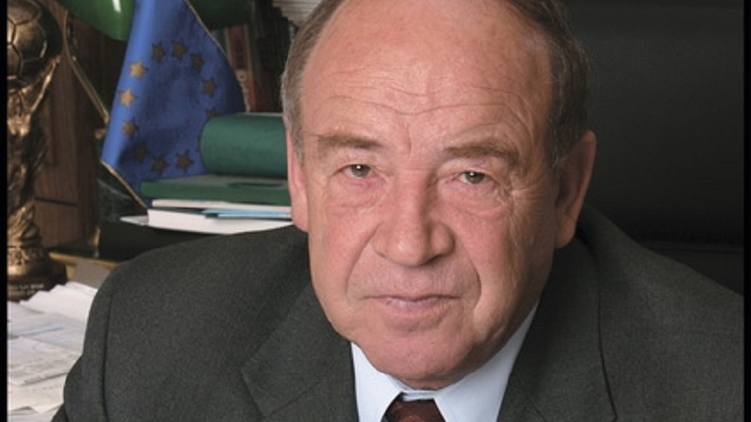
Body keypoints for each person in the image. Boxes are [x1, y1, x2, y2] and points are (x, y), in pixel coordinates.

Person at [53, 0, 743, 420]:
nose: (410, 245)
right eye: (359, 169)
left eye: (471, 175)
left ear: (566, 190)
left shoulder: (718, 390)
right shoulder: (150, 338)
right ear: (299, 178)